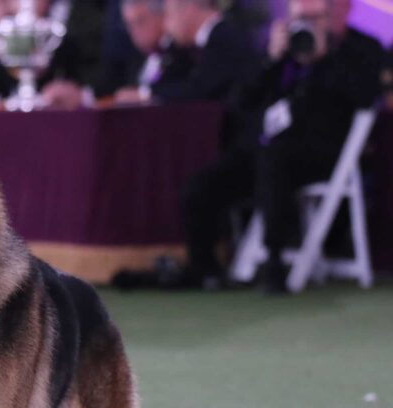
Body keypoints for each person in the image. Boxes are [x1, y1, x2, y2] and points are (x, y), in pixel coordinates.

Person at [180, 0, 383, 292]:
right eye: (300, 18)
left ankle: (274, 261)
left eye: (316, 18)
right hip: (265, 153)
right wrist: (270, 60)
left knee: (274, 160)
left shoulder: (360, 49)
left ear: (334, 15)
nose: (308, 25)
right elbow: (240, 102)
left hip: (321, 154)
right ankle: (206, 271)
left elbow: (366, 98)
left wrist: (325, 58)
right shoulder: (280, 50)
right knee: (200, 185)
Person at [148, 0, 256, 103]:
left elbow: (199, 89)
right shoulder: (194, 46)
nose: (166, 26)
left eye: (168, 15)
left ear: (188, 10)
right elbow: (170, 80)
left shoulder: (225, 37)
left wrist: (148, 94)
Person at [100, 0, 193, 102]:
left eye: (140, 21)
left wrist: (143, 95)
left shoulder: (182, 50)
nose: (134, 31)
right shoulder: (134, 59)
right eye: (129, 24)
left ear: (161, 16)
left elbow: (186, 89)